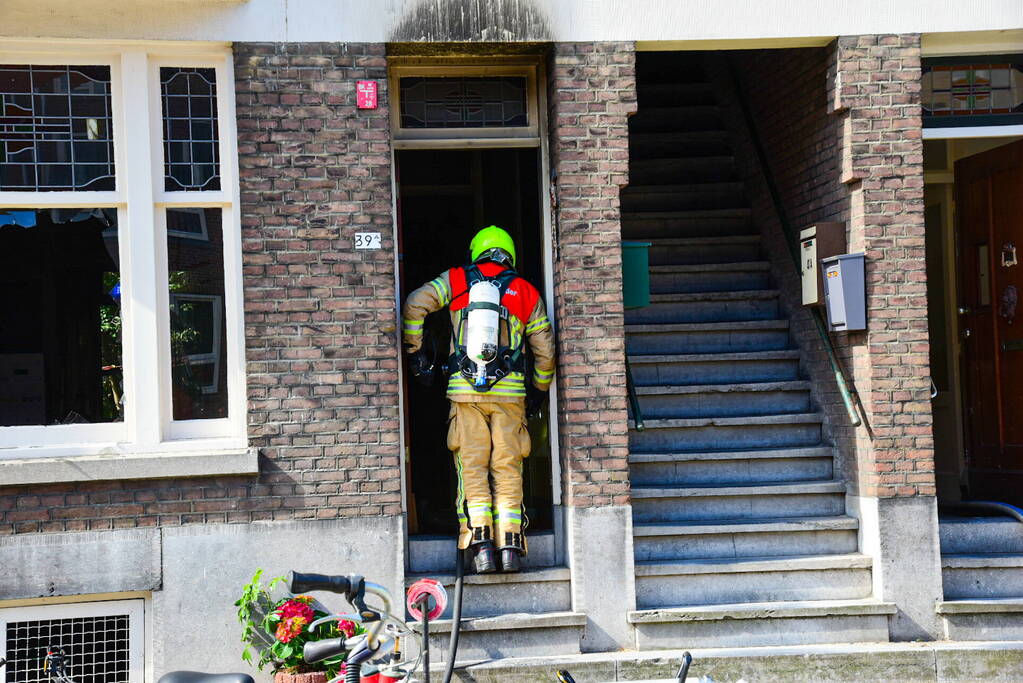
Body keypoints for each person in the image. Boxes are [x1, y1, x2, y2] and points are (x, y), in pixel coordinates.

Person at [402, 225, 555, 573]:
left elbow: (414, 305)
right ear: (509, 254)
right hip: (510, 398)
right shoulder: (524, 291)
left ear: (477, 252)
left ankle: (481, 548)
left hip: (465, 394)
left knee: (471, 470)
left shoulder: (456, 281)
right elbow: (545, 351)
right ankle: (510, 550)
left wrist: (416, 353)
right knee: (507, 469)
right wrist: (538, 390)